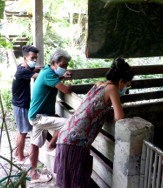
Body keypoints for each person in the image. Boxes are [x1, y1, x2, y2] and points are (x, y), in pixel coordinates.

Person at [54, 58, 134, 188]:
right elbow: (119, 117)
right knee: (76, 184)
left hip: (67, 137)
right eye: (127, 85)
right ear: (120, 82)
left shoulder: (99, 84)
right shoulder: (112, 88)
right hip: (75, 143)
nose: (126, 89)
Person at [26, 48, 73, 179]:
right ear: (53, 63)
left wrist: (62, 76)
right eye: (62, 65)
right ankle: (51, 147)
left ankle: (33, 174)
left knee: (34, 144)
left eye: (66, 65)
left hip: (35, 115)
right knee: (69, 123)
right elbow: (66, 90)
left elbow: (54, 78)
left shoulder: (47, 71)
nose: (65, 68)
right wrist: (68, 84)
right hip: (40, 117)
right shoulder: (49, 75)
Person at [11, 45, 41, 162]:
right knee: (23, 132)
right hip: (20, 105)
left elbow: (36, 69)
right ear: (25, 58)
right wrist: (56, 74)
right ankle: (20, 157)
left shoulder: (22, 67)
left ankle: (16, 152)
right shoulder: (24, 71)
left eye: (35, 58)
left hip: (19, 103)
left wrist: (42, 68)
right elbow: (41, 77)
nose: (34, 60)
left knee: (22, 130)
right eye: (32, 58)